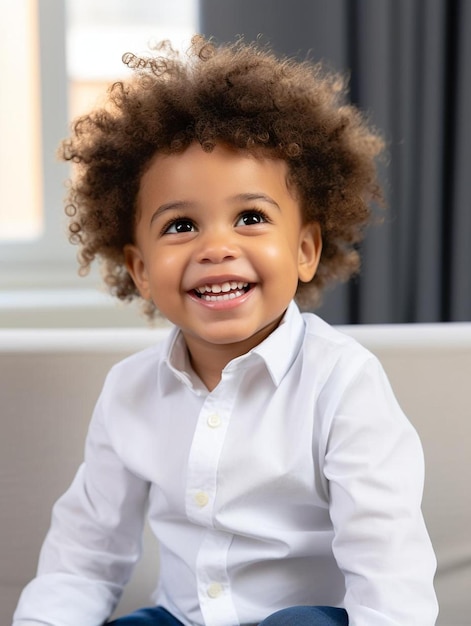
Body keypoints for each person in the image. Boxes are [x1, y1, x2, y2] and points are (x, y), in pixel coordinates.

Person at [13, 36, 438, 626]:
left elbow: (388, 566)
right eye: (181, 224)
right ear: (139, 268)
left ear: (306, 249)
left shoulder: (343, 383)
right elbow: (84, 557)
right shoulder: (129, 391)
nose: (217, 247)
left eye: (251, 217)